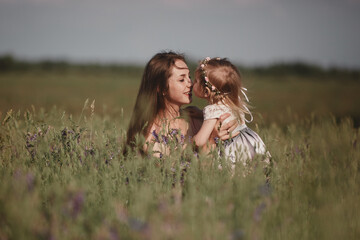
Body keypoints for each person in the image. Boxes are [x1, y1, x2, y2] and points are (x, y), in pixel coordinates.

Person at [125, 51, 238, 156]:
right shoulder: (149, 135)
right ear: (161, 88)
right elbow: (176, 172)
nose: (191, 83)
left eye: (189, 76)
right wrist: (212, 141)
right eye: (181, 80)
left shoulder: (196, 117)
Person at [192, 57, 269, 164]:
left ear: (206, 92)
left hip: (233, 148)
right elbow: (220, 117)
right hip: (249, 142)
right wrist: (200, 113)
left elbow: (200, 141)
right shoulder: (233, 101)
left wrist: (189, 141)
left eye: (195, 81)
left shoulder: (212, 109)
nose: (192, 83)